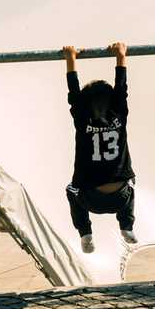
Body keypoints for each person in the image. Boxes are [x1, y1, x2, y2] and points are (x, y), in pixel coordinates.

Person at [62, 41, 136, 253]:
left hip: (89, 199)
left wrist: (71, 59)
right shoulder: (120, 114)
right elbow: (121, 87)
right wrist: (121, 56)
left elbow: (73, 93)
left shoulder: (82, 119)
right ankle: (127, 226)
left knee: (70, 190)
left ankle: (85, 233)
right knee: (131, 181)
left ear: (84, 106)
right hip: (121, 198)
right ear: (113, 103)